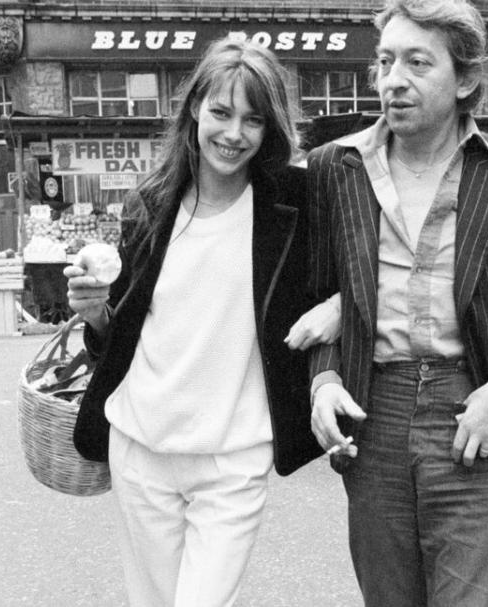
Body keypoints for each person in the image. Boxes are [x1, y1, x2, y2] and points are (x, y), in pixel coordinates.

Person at [305, 0, 488, 606]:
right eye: (385, 61)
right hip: (374, 412)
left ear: (466, 81)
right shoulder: (334, 169)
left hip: (471, 410)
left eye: (418, 63)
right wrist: (323, 380)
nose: (394, 79)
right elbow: (316, 302)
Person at [66, 37, 328, 607]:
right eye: (221, 112)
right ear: (193, 110)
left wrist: (335, 309)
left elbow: (349, 277)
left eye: (253, 120)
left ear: (270, 129)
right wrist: (95, 314)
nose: (234, 134)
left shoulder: (294, 203)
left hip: (235, 454)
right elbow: (127, 330)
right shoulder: (150, 203)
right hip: (141, 448)